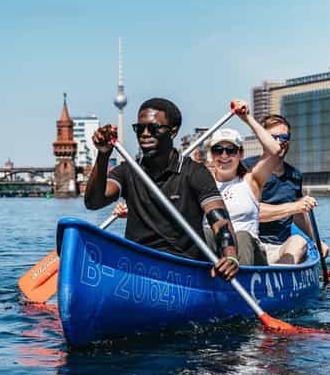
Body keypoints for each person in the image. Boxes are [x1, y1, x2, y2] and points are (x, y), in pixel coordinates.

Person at [84, 97, 240, 281]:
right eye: (140, 128)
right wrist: (103, 155)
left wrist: (230, 255)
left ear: (173, 132)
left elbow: (219, 220)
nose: (145, 134)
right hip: (137, 266)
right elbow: (93, 202)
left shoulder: (195, 173)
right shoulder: (127, 171)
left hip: (183, 268)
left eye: (154, 128)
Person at [203, 100, 283, 266]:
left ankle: (241, 280)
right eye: (218, 150)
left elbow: (275, 150)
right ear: (212, 154)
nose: (224, 156)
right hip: (217, 253)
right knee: (206, 232)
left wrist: (246, 117)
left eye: (230, 150)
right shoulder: (202, 181)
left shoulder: (251, 180)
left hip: (250, 255)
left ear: (240, 154)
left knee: (241, 235)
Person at [242, 114, 329, 264]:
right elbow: (249, 211)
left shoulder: (295, 175)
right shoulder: (246, 169)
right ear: (263, 139)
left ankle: (282, 275)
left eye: (284, 137)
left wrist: (317, 241)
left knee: (299, 242)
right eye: (272, 137)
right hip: (250, 245)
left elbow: (298, 215)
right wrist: (293, 207)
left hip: (280, 248)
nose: (279, 142)